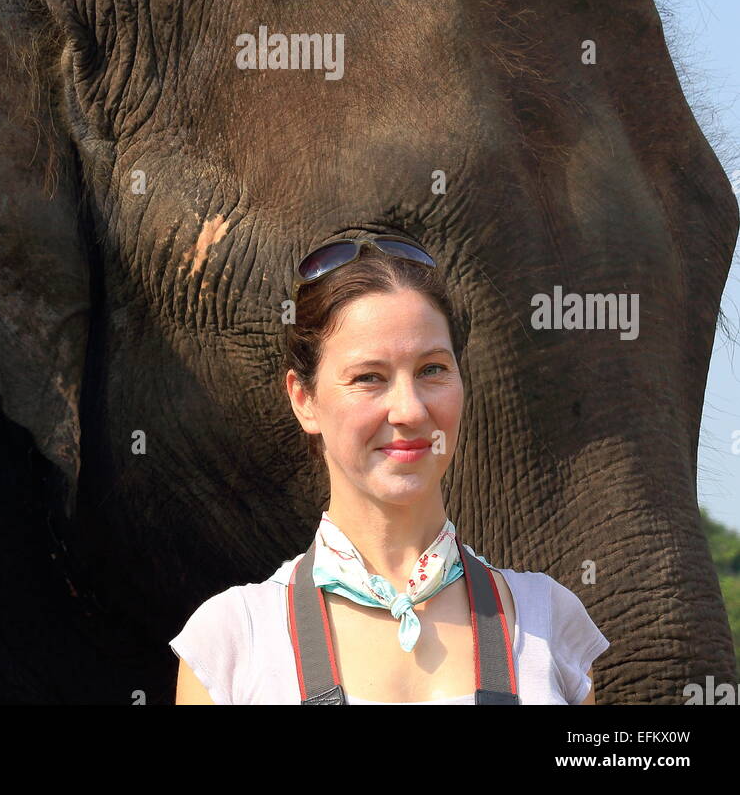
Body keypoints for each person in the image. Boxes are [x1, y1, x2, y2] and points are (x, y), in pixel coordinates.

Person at [170, 236, 610, 705]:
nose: (410, 410)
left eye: (432, 370)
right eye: (369, 377)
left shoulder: (548, 622)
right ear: (304, 400)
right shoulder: (232, 643)